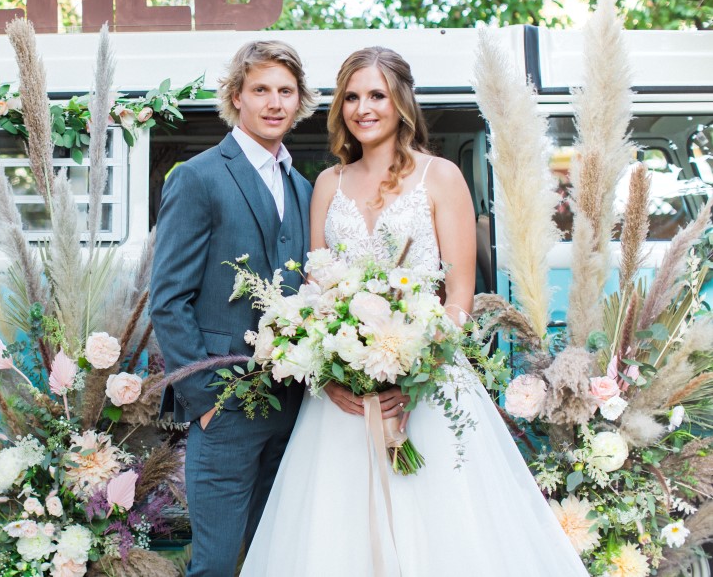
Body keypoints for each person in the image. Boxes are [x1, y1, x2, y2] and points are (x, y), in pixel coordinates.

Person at [240, 47, 589, 576]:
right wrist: (332, 370)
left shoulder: (441, 177)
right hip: (342, 403)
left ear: (400, 101)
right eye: (352, 97)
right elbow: (315, 290)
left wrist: (414, 366)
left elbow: (459, 297)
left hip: (426, 389)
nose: (363, 108)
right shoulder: (328, 186)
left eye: (377, 95)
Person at [151, 40, 320, 577]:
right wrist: (206, 400)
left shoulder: (302, 185)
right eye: (261, 89)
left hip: (294, 408)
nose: (274, 102)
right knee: (217, 566)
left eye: (285, 91)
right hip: (225, 407)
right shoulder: (198, 177)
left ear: (299, 102)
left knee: (275, 561)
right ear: (236, 97)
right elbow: (168, 299)